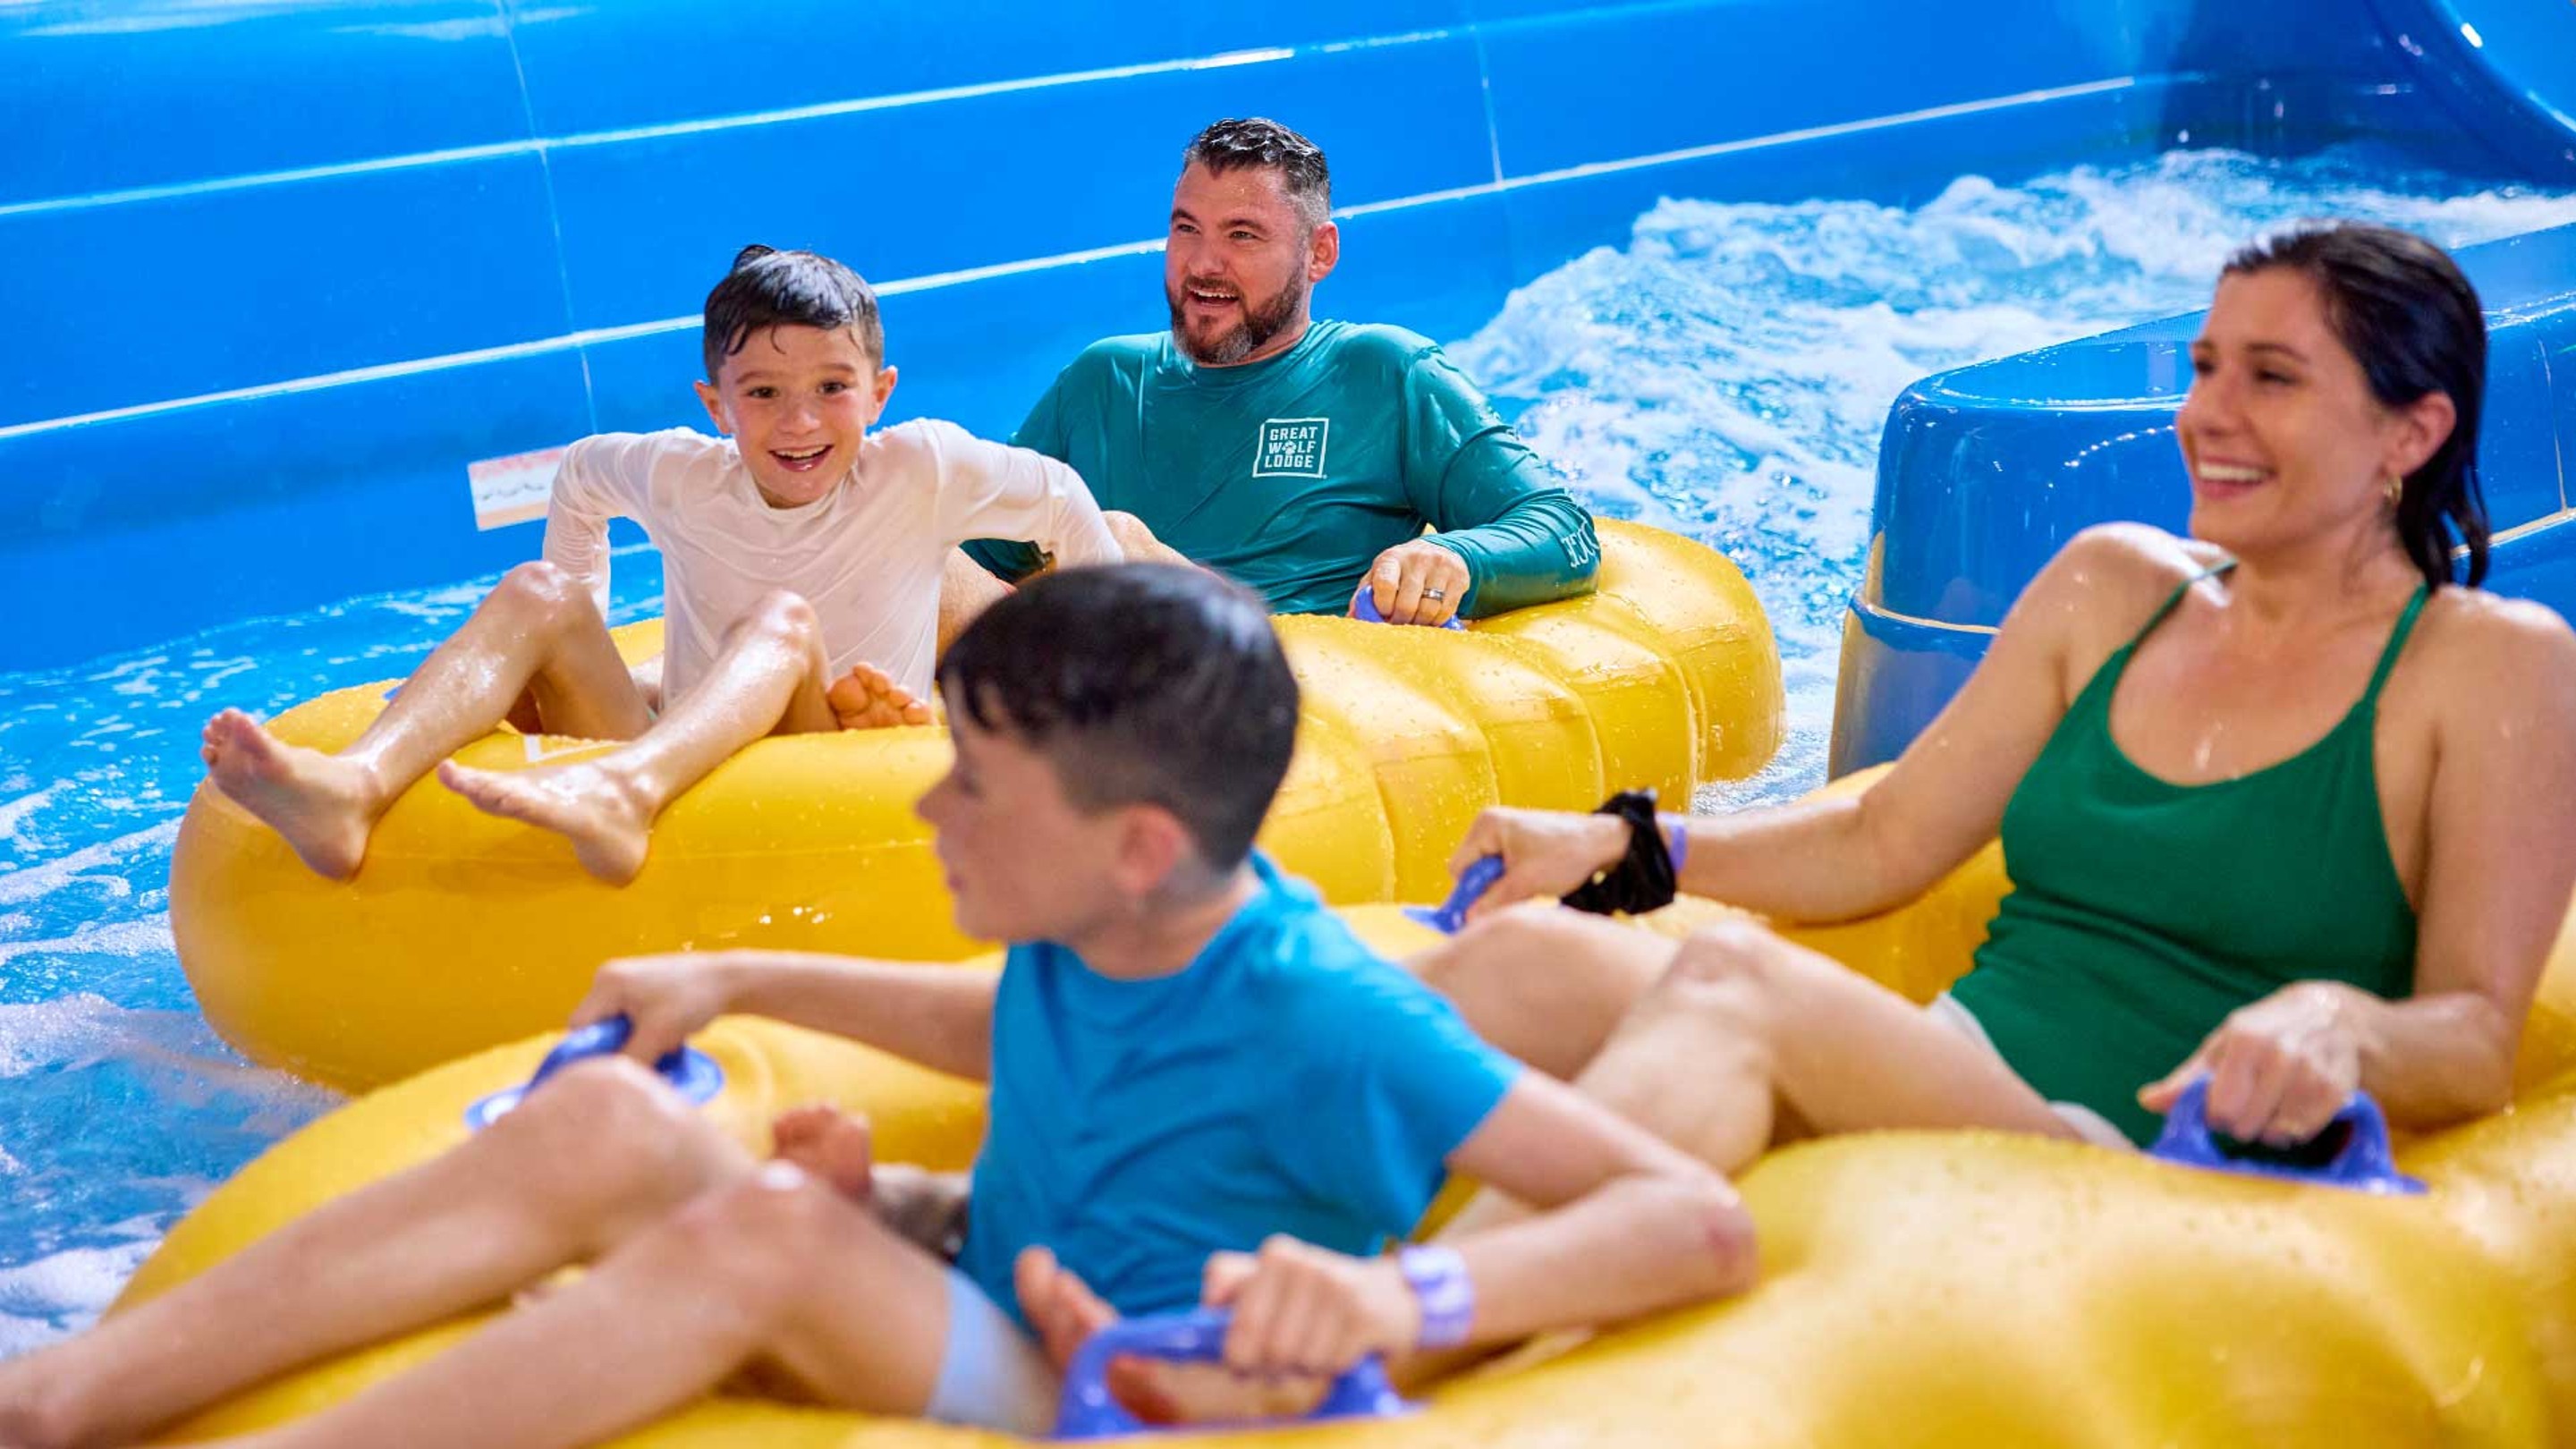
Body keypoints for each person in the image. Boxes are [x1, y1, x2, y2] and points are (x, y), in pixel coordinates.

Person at [0, 567, 1757, 1448]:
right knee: (614, 1116)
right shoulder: (1114, 934)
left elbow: (1681, 1220)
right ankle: (75, 1395)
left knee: (763, 1234)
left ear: (1138, 843)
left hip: (1118, 1388)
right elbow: (1000, 1028)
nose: (928, 808)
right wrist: (739, 975)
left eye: (974, 784)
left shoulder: (1331, 1014)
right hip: (1004, 1286)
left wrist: (1402, 1289)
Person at [1399, 222, 2576, 1174]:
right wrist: (1626, 840)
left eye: (2272, 378)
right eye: (2207, 366)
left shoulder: (2486, 666)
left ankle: (1395, 1328)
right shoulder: (2114, 586)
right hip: (1950, 1068)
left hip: (2109, 1152)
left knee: (1737, 983)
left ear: (2412, 432)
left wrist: (2343, 1021)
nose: (2208, 415)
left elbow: (2475, 1034)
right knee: (1518, 965)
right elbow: (1882, 835)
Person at [198, 245, 1122, 885]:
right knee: (536, 591)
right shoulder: (681, 475)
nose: (799, 422)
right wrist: (579, 624)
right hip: (682, 758)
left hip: (832, 775)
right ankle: (352, 790)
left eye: (832, 390)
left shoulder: (924, 467)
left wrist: (1121, 669)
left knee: (780, 620)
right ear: (714, 403)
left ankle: (626, 792)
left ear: (879, 391)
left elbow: (1064, 501)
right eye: (762, 394)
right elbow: (581, 476)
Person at [957, 117, 1602, 628]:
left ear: (1318, 253)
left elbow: (1560, 526)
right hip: (1098, 686)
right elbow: (962, 561)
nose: (1204, 264)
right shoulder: (1104, 382)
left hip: (1283, 688)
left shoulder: (1383, 373)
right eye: (1187, 229)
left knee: (1118, 541)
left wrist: (1456, 556)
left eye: (1243, 235)